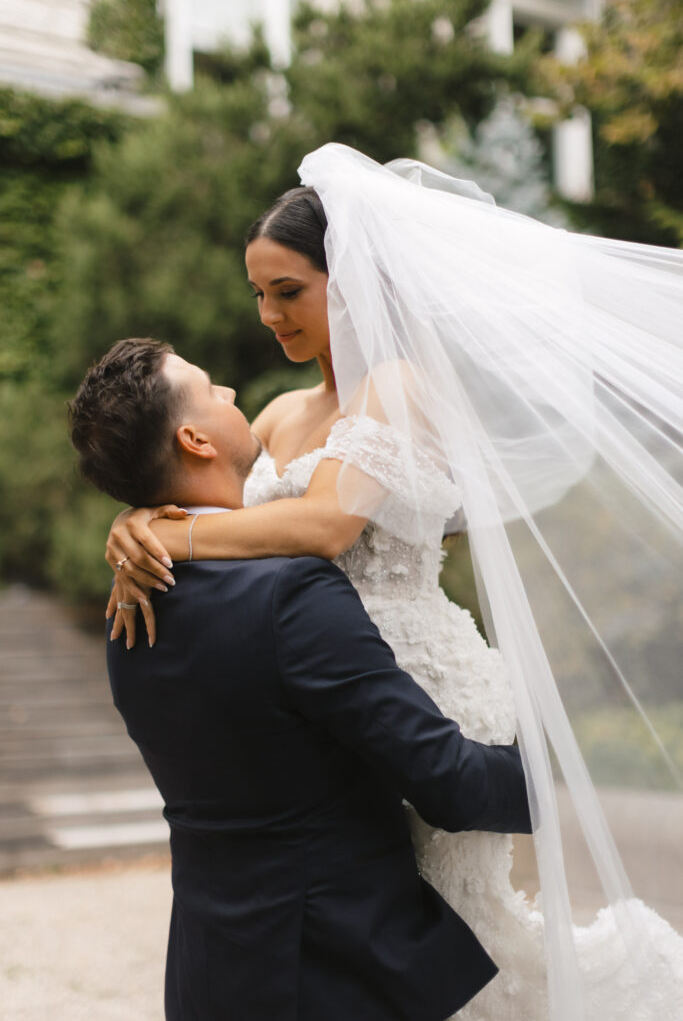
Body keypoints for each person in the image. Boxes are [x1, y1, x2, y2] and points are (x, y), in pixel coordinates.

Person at [105, 145, 683, 1019]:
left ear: (353, 281)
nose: (267, 315)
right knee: (371, 927)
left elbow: (326, 525)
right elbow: (217, 497)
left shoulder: (400, 389)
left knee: (456, 933)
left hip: (420, 683)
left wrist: (173, 530)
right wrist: (134, 521)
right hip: (318, 692)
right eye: (257, 294)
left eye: (287, 291)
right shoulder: (276, 415)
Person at [68, 336, 533, 1021]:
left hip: (208, 974)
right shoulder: (291, 594)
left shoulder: (128, 608)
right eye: (211, 389)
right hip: (332, 974)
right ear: (195, 439)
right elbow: (450, 784)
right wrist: (566, 787)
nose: (233, 397)